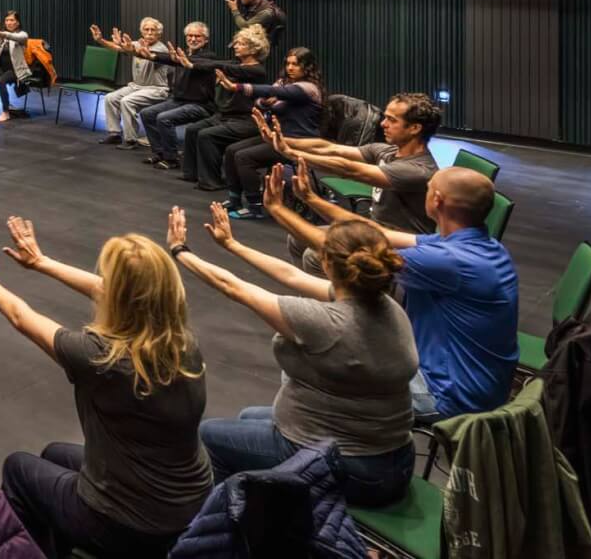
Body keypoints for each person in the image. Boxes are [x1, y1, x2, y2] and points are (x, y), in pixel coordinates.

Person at [0, 217, 212, 557]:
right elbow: (115, 292)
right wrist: (42, 263)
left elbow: (21, 317)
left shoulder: (99, 357)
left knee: (18, 468)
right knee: (55, 453)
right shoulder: (182, 342)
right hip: (192, 506)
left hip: (128, 524)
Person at [171, 199, 418, 506]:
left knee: (211, 435)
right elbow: (291, 276)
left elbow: (233, 287)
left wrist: (179, 251)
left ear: (326, 263)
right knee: (249, 415)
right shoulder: (385, 303)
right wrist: (232, 245)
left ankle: (227, 529)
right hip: (388, 455)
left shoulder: (326, 322)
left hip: (358, 471)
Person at [269, 163, 518, 419]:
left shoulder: (447, 261)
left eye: (428, 189)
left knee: (307, 353)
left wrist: (277, 209)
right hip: (480, 385)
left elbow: (339, 250)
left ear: (437, 200)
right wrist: (311, 199)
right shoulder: (477, 245)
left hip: (445, 394)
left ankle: (302, 437)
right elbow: (378, 233)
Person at [261, 92, 442, 238]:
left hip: (401, 243)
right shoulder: (387, 151)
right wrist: (282, 141)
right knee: (298, 239)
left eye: (392, 120)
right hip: (376, 229)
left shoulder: (418, 170)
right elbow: (329, 147)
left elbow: (351, 169)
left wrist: (292, 153)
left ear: (414, 128)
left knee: (313, 250)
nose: (383, 124)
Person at [212, 45, 325, 220]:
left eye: (295, 64)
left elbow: (272, 91)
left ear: (307, 66)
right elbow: (261, 100)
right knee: (231, 150)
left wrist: (237, 87)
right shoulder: (284, 82)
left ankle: (255, 206)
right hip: (277, 137)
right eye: (288, 64)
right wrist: (265, 103)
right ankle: (234, 199)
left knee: (244, 157)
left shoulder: (308, 88)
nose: (290, 68)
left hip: (297, 141)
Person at [171, 25, 270, 191]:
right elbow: (210, 64)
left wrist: (192, 66)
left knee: (206, 135)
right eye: (236, 43)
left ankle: (211, 181)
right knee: (193, 130)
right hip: (225, 115)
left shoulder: (256, 70)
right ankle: (191, 173)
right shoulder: (236, 64)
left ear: (253, 49)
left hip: (246, 120)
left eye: (241, 44)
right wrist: (151, 55)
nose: (236, 46)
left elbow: (216, 65)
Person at [138, 22, 217, 172]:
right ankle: (159, 152)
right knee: (147, 113)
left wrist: (156, 56)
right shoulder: (185, 55)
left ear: (206, 39)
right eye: (190, 36)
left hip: (201, 105)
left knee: (164, 118)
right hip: (179, 101)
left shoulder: (209, 57)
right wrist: (142, 52)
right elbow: (172, 58)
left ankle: (172, 158)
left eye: (197, 36)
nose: (193, 39)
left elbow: (175, 60)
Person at [91, 19, 173, 149]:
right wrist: (100, 40)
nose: (150, 32)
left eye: (153, 30)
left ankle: (131, 140)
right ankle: (115, 134)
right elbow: (117, 47)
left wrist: (131, 50)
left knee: (127, 101)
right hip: (136, 86)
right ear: (142, 32)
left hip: (156, 89)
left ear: (159, 34)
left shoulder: (161, 49)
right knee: (110, 98)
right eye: (147, 29)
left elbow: (144, 54)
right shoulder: (136, 44)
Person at [224, 0, 286, 70]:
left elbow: (245, 26)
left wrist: (234, 9)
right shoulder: (257, 4)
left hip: (260, 50)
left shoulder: (266, 12)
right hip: (254, 46)